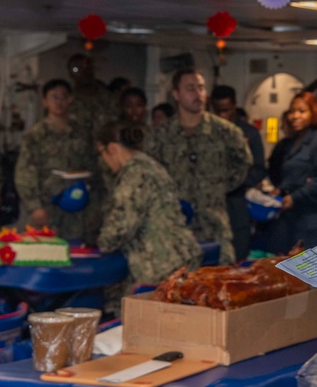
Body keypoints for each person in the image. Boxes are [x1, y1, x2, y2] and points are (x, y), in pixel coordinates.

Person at [145, 69, 251, 265]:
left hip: (215, 226)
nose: (198, 94)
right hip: (176, 229)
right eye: (190, 89)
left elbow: (242, 165)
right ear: (176, 94)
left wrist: (215, 188)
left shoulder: (226, 132)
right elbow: (150, 175)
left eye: (201, 88)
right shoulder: (160, 136)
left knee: (221, 285)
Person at [95, 121, 203, 313]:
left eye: (102, 154)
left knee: (139, 322)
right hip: (180, 257)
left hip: (159, 264)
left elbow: (122, 226)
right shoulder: (150, 165)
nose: (103, 161)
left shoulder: (134, 174)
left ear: (112, 148)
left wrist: (101, 241)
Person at [15, 79, 87, 240]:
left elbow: (91, 165)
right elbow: (24, 172)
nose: (59, 102)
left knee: (75, 254)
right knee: (44, 252)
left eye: (63, 97)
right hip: (46, 206)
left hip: (76, 205)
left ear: (70, 99)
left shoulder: (81, 131)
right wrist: (34, 207)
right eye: (54, 97)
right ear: (45, 101)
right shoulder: (35, 134)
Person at [266, 92, 317, 252]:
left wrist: (295, 196)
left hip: (314, 219)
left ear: (313, 113)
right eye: (292, 111)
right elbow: (295, 175)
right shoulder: (294, 141)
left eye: (301, 111)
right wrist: (282, 189)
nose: (294, 116)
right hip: (294, 217)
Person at [211, 85, 266, 260]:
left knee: (237, 256)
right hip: (209, 206)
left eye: (226, 110)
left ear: (235, 106)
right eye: (218, 110)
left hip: (237, 203)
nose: (222, 115)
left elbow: (259, 169)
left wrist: (234, 184)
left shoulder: (249, 133)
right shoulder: (206, 133)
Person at [67, 54, 117, 237]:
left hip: (104, 167)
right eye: (73, 70)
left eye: (82, 68)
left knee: (102, 217)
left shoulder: (105, 97)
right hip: (77, 170)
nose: (79, 73)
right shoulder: (68, 100)